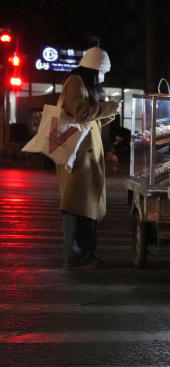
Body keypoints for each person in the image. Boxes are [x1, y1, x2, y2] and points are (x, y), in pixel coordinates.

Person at [57, 46, 119, 269]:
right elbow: (81, 113)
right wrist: (108, 107)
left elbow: (90, 119)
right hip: (78, 159)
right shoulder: (75, 81)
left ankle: (84, 254)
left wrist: (109, 112)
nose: (103, 77)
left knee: (87, 208)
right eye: (102, 71)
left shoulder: (83, 84)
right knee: (78, 207)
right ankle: (77, 257)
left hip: (86, 158)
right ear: (95, 69)